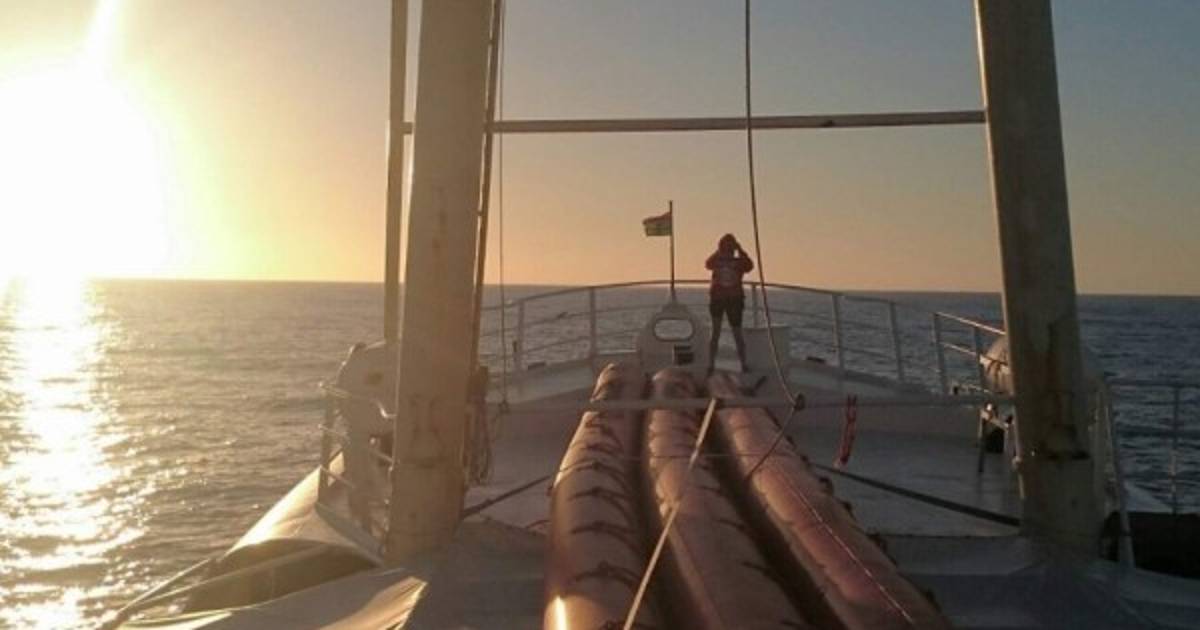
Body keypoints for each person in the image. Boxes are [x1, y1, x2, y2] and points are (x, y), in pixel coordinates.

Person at [706, 233, 754, 373]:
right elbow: (707, 264)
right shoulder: (717, 260)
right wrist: (719, 251)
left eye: (729, 246)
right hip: (719, 300)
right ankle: (711, 364)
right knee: (716, 333)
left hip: (734, 300)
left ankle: (743, 364)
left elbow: (750, 266)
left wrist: (740, 250)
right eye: (725, 246)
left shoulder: (739, 262)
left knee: (737, 333)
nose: (727, 249)